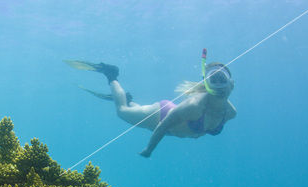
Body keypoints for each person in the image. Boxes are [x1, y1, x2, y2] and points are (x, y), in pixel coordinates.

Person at [66, 50, 236, 157]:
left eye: (223, 80)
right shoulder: (194, 106)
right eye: (214, 80)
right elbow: (161, 127)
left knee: (132, 107)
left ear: (232, 84)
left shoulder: (230, 113)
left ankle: (125, 97)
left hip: (171, 128)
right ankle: (111, 75)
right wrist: (149, 150)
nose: (220, 87)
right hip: (160, 115)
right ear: (207, 84)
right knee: (121, 110)